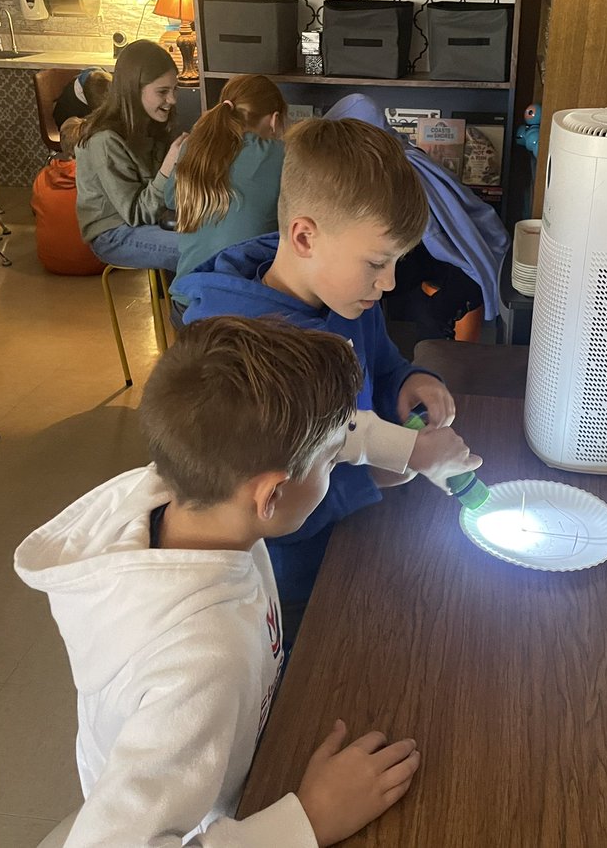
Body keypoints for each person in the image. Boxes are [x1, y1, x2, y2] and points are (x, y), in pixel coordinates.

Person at [14, 315, 422, 847]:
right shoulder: (202, 663)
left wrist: (405, 449)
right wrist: (308, 822)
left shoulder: (185, 483)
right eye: (328, 460)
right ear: (270, 497)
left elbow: (315, 438)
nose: (334, 461)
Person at [173, 117, 482, 638]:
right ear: (304, 236)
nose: (387, 283)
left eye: (396, 263)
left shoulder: (348, 295)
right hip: (291, 582)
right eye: (376, 263)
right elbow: (265, 512)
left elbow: (380, 364)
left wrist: (410, 379)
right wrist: (376, 475)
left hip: (359, 538)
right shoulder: (244, 355)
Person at [325, 94, 509, 341]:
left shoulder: (405, 169)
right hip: (429, 251)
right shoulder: (386, 164)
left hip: (461, 257)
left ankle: (439, 370)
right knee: (361, 283)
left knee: (432, 315)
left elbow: (435, 235)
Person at [166, 74, 287, 307]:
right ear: (274, 120)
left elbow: (171, 199)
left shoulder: (193, 147)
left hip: (186, 307)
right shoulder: (278, 154)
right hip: (241, 314)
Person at [74, 40, 185, 271]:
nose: (172, 99)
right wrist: (168, 168)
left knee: (219, 238)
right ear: (134, 90)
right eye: (163, 92)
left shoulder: (152, 124)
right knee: (199, 250)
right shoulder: (104, 140)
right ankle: (186, 308)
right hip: (113, 234)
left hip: (153, 221)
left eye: (175, 89)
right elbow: (136, 214)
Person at [32, 117, 105, 276]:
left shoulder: (42, 176)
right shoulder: (100, 176)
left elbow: (35, 212)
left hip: (50, 261)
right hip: (97, 262)